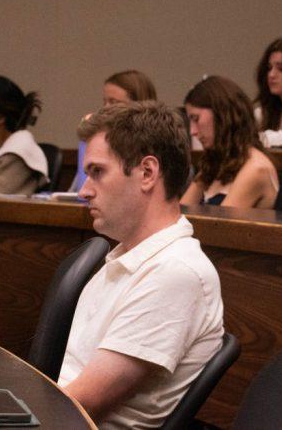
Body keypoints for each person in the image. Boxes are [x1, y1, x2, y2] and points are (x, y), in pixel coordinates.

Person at [59, 102, 224, 428]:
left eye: (97, 172)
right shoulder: (130, 257)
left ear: (147, 173)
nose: (83, 191)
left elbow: (83, 403)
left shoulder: (175, 272)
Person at [180, 76, 278, 208]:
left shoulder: (256, 168)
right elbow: (181, 214)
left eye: (196, 119)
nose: (192, 131)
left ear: (221, 115)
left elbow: (219, 226)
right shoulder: (216, 163)